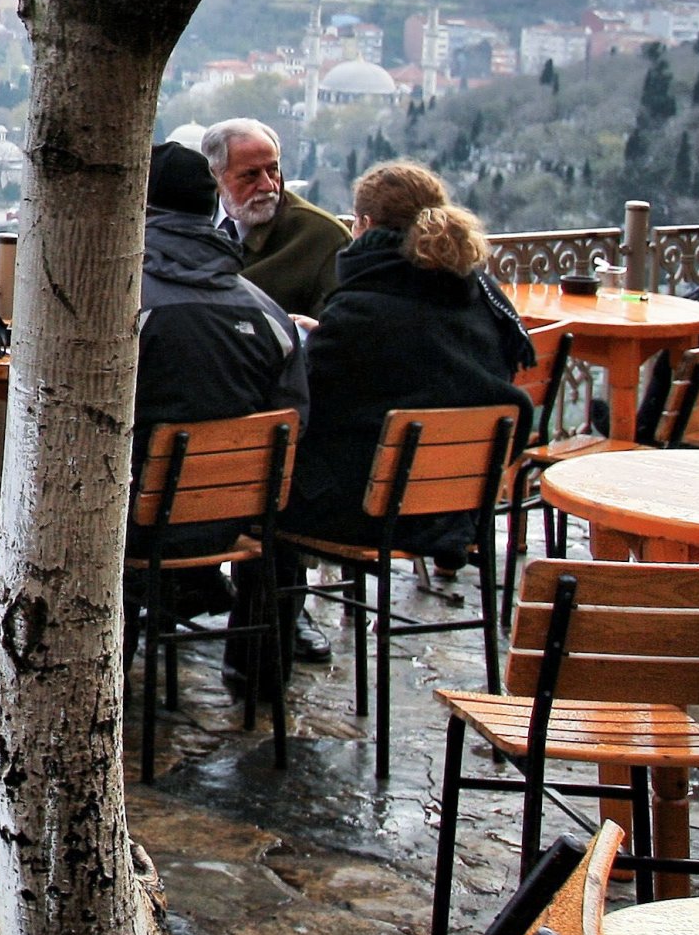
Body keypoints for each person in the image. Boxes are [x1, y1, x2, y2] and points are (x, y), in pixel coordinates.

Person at [132, 141, 324, 669]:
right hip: (235, 519)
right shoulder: (268, 313)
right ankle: (255, 667)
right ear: (210, 207)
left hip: (131, 525)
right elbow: (292, 422)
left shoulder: (123, 304)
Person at [283, 162, 534, 564]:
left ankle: (270, 624)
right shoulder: (484, 293)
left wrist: (314, 344)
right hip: (457, 505)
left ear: (363, 223)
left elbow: (312, 405)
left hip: (372, 510)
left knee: (264, 481)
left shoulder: (362, 309)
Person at [205, 118, 350, 319]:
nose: (267, 185)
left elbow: (335, 329)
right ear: (215, 176)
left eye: (273, 170)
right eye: (251, 175)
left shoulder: (321, 237)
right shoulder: (186, 221)